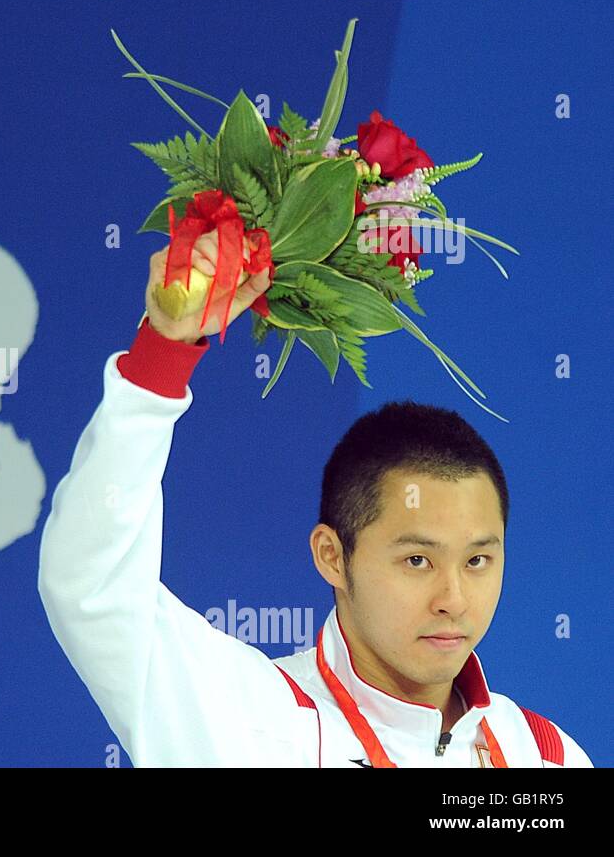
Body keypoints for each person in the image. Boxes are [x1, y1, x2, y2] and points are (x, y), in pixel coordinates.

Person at [36, 233, 593, 767]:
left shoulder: (545, 756)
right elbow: (92, 586)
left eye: (477, 561)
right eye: (417, 560)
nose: (453, 599)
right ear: (332, 555)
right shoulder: (248, 722)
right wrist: (164, 351)